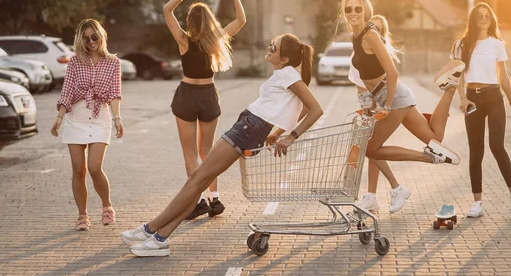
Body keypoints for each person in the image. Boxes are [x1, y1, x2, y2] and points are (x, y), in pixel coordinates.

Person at [121, 33, 323, 257]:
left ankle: (149, 229)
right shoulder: (288, 74)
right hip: (248, 127)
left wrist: (290, 136)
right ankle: (160, 238)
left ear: (284, 59)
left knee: (197, 179)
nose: (269, 48)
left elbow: (315, 109)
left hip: (248, 129)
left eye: (273, 47)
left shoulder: (288, 75)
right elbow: (302, 108)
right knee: (199, 181)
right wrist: (277, 132)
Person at [325, 0, 464, 168]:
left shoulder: (370, 36)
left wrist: (386, 106)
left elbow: (393, 73)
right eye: (349, 9)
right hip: (393, 96)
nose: (353, 12)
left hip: (393, 97)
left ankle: (428, 157)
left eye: (358, 9)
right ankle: (449, 88)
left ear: (366, 12)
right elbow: (347, 11)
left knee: (372, 149)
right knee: (435, 138)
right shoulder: (354, 34)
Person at [163, 0, 246, 220]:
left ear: (190, 21)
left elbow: (167, 9)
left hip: (187, 94)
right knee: (207, 152)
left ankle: (198, 201)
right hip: (209, 95)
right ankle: (215, 198)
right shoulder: (215, 40)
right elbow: (241, 20)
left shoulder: (184, 40)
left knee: (189, 152)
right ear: (210, 20)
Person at [51, 19, 124, 231]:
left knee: (94, 167)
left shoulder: (113, 62)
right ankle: (82, 215)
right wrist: (59, 117)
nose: (91, 41)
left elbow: (115, 93)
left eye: (94, 37)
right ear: (80, 40)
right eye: (86, 38)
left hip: (100, 117)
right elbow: (67, 90)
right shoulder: (74, 62)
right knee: (78, 169)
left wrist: (117, 118)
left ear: (102, 36)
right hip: (76, 119)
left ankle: (107, 205)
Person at [451, 2, 511, 220]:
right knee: (476, 152)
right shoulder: (462, 45)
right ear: (473, 19)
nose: (483, 18)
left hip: (493, 97)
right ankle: (477, 203)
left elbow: (503, 77)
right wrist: (462, 98)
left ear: (491, 20)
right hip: (472, 99)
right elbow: (457, 75)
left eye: (487, 16)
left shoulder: (496, 44)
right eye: (479, 15)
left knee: (497, 146)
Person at [346, 16, 411, 214]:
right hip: (370, 101)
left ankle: (395, 188)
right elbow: (350, 14)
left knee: (371, 148)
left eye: (378, 30)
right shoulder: (359, 42)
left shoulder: (374, 54)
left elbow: (384, 81)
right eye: (372, 25)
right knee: (372, 149)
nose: (373, 30)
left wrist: (375, 106)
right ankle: (373, 196)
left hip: (378, 102)